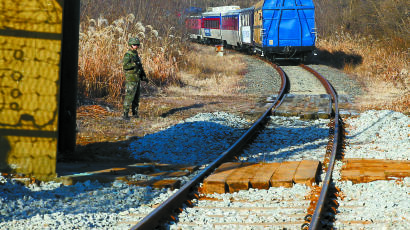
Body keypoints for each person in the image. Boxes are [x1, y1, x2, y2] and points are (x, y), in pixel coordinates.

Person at [122, 37, 148, 120]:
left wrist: (144, 77)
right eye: (134, 45)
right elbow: (125, 66)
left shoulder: (136, 54)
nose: (136, 46)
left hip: (137, 79)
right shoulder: (128, 54)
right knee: (129, 97)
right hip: (131, 79)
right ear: (130, 45)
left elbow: (140, 67)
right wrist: (133, 64)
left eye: (137, 45)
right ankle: (125, 114)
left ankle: (135, 113)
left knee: (136, 97)